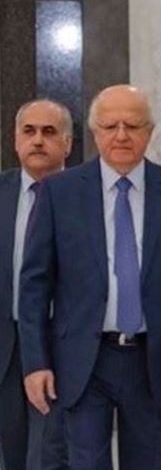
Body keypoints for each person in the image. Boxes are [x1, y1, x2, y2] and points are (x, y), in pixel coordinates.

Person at [18, 85, 161, 470]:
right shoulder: (60, 193)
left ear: (150, 131)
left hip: (152, 360)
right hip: (82, 361)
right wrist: (35, 362)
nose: (122, 135)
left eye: (133, 125)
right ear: (95, 133)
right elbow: (34, 286)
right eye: (111, 126)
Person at [1, 100, 71, 470]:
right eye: (29, 132)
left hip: (63, 345)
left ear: (68, 143)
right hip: (6, 349)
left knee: (49, 457)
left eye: (49, 132)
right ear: (15, 141)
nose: (38, 140)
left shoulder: (87, 196)